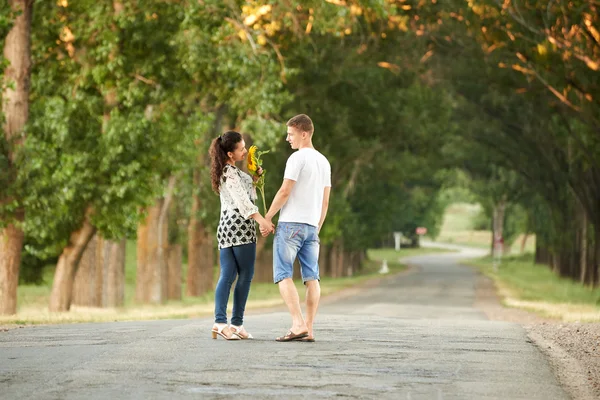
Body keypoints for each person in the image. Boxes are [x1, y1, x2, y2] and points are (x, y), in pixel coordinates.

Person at [262, 114, 331, 342]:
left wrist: (268, 216)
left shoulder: (297, 158)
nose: (287, 138)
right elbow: (325, 201)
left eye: (290, 134)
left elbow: (284, 191)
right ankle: (309, 329)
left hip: (290, 224)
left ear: (304, 133)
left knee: (283, 273)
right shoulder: (324, 162)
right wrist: (317, 226)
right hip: (312, 226)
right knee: (312, 277)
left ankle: (297, 323)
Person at [209, 130, 274, 340]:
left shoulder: (230, 172)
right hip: (240, 228)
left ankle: (221, 323)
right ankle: (235, 323)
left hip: (225, 229)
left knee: (227, 275)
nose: (245, 151)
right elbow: (244, 203)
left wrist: (255, 178)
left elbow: (249, 193)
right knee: (245, 276)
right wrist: (262, 220)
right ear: (230, 153)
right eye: (241, 148)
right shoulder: (230, 174)